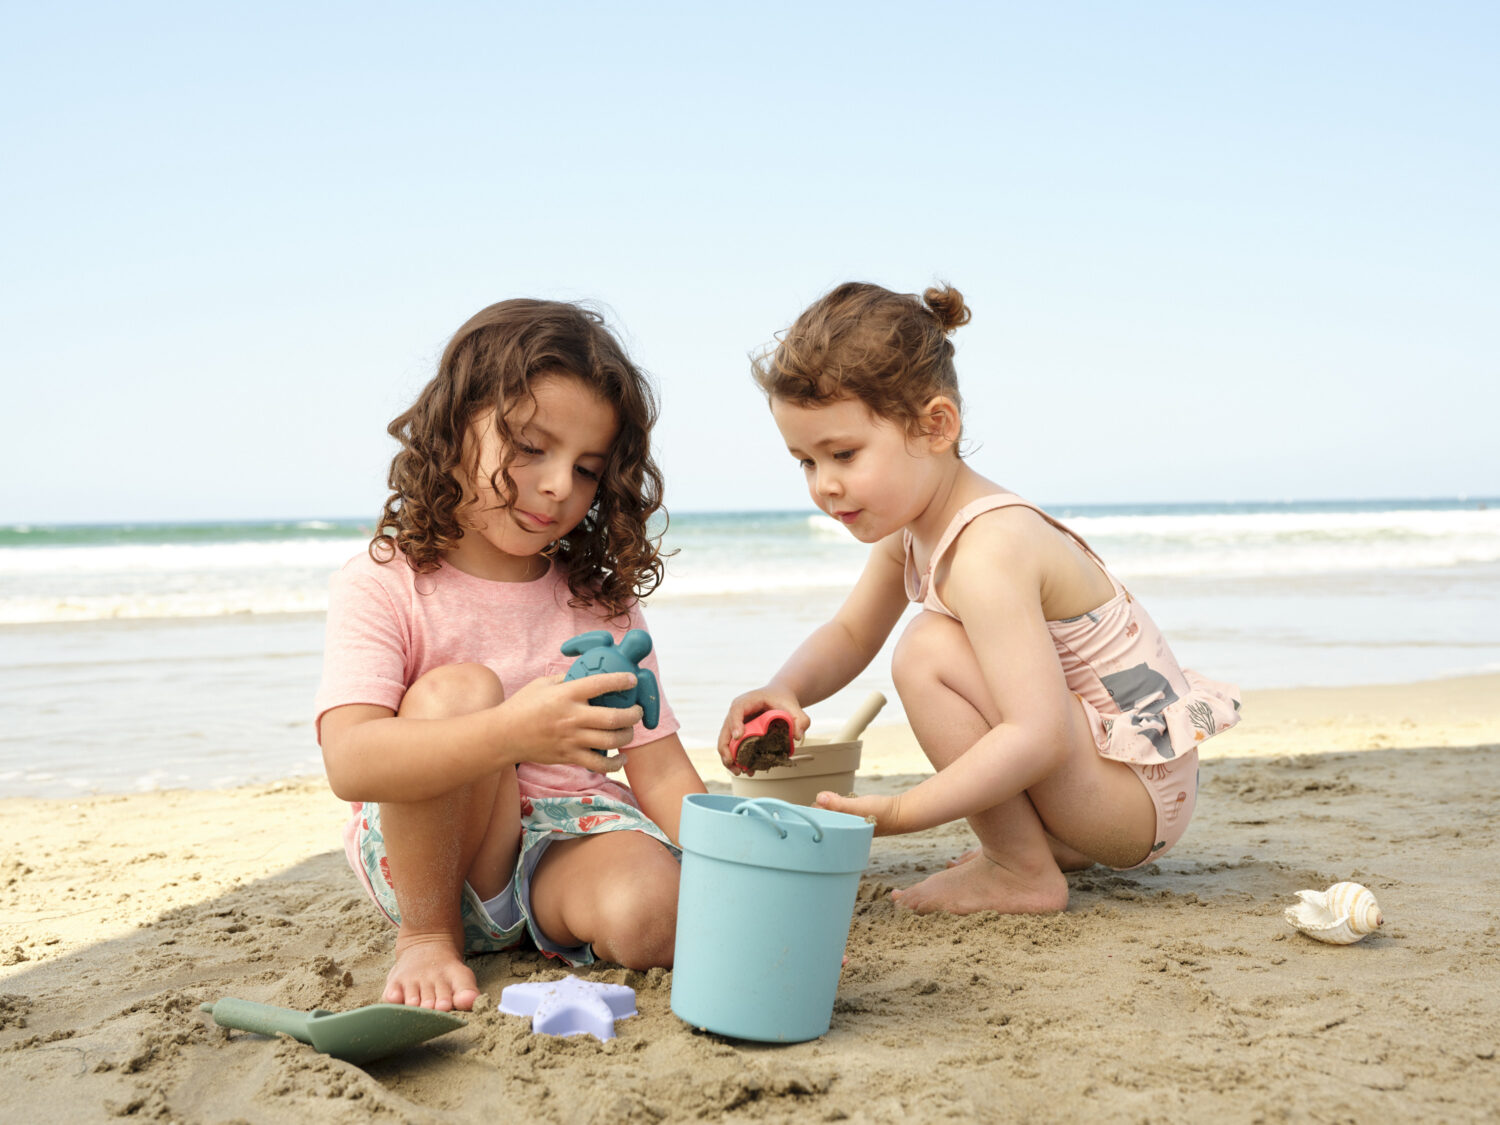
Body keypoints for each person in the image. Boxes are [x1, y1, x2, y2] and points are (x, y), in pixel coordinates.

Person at [718, 282, 1240, 916]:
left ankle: (1018, 869)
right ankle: (1048, 845)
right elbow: (852, 633)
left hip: (1133, 798)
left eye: (844, 454)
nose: (824, 485)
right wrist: (786, 689)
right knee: (931, 643)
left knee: (927, 649)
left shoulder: (989, 551)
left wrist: (905, 810)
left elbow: (1038, 735)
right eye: (804, 461)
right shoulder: (913, 528)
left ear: (936, 426)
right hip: (1119, 780)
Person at [316, 299, 705, 1011]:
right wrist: (515, 731)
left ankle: (540, 924)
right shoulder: (384, 582)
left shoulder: (598, 597)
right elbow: (352, 760)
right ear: (454, 422)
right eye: (530, 447)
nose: (560, 485)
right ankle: (430, 939)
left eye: (587, 468)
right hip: (432, 856)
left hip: (568, 840)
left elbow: (662, 768)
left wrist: (750, 881)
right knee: (454, 693)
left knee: (658, 912)